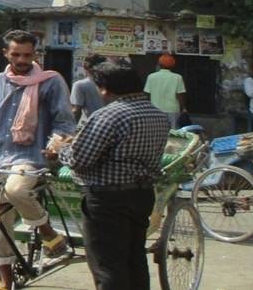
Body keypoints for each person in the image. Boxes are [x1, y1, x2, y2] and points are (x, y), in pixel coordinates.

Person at [0, 30, 76, 289]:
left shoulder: (51, 81)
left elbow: (64, 123)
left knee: (16, 190)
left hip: (32, 157)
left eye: (27, 55)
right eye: (16, 54)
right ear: (6, 54)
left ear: (35, 54)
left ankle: (49, 234)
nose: (22, 59)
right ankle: (5, 281)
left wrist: (54, 146)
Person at [56, 62, 170, 290]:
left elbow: (80, 160)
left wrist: (60, 150)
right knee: (134, 258)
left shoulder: (108, 116)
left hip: (107, 199)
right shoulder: (158, 115)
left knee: (107, 264)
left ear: (106, 88)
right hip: (142, 195)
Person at [143, 54, 187, 128]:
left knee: (156, 130)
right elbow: (180, 95)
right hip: (173, 110)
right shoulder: (177, 77)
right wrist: (183, 108)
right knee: (173, 132)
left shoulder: (151, 76)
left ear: (159, 64)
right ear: (173, 66)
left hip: (155, 110)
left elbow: (147, 94)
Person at [69, 54, 107, 122]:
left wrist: (70, 130)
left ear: (85, 67)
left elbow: (76, 111)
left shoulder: (80, 85)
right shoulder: (112, 83)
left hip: (90, 125)